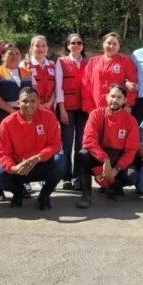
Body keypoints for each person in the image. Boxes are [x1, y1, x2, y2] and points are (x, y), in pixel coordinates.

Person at [0, 87, 67, 210]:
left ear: (38, 102)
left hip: (41, 163)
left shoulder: (49, 117)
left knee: (60, 161)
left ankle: (44, 195)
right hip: (19, 167)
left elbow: (55, 145)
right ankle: (18, 193)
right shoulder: (7, 123)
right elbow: (2, 153)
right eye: (24, 101)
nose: (29, 104)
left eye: (32, 101)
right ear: (18, 103)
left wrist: (38, 157)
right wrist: (13, 168)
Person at [75, 85, 141, 208]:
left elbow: (131, 151)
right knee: (83, 154)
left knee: (132, 176)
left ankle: (115, 185)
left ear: (125, 100)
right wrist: (104, 159)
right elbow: (88, 141)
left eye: (119, 97)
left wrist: (116, 169)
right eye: (112, 96)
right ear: (106, 97)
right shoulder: (96, 114)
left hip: (118, 157)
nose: (115, 100)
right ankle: (86, 195)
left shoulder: (131, 121)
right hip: (99, 156)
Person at [0, 43, 32, 201]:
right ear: (2, 56)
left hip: (25, 115)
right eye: (10, 54)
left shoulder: (27, 72)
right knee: (2, 150)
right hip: (2, 114)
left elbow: (32, 94)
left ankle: (20, 184)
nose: (14, 56)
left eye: (17, 53)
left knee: (22, 150)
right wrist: (12, 111)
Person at [56, 33, 89, 191]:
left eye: (79, 42)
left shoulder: (88, 63)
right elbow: (58, 87)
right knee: (67, 144)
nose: (76, 45)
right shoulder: (61, 62)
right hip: (67, 108)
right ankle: (66, 177)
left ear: (82, 45)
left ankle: (78, 177)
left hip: (83, 109)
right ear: (67, 45)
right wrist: (61, 108)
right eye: (73, 43)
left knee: (81, 145)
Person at [81, 32, 138, 115]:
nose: (111, 46)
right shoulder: (93, 62)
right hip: (95, 108)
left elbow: (133, 85)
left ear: (119, 46)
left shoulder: (126, 62)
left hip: (118, 109)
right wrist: (89, 108)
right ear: (103, 44)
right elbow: (86, 85)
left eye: (115, 44)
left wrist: (128, 105)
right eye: (109, 43)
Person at [21, 35, 56, 110]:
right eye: (37, 46)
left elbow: (56, 88)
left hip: (50, 108)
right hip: (31, 109)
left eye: (43, 46)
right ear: (31, 48)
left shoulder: (53, 65)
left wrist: (50, 103)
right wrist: (37, 104)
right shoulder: (24, 65)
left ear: (47, 48)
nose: (41, 49)